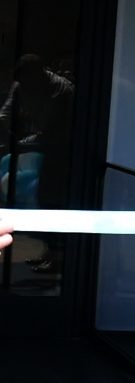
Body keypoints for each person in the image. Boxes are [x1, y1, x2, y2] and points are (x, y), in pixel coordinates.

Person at [0, 53, 74, 272]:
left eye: (27, 82)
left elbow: (53, 132)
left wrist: (23, 142)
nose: (23, 87)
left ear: (39, 75)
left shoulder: (63, 91)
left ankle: (58, 258)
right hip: (38, 145)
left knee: (51, 200)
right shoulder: (21, 84)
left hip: (61, 152)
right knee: (41, 197)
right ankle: (50, 254)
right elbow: (5, 114)